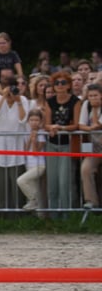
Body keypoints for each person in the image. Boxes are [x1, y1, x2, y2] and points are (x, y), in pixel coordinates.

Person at [0, 77, 28, 209]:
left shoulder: (23, 100)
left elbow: (23, 120)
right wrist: (3, 97)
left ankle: (18, 212)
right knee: (1, 182)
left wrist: (18, 101)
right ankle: (3, 213)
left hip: (16, 143)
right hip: (0, 144)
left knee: (16, 179)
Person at [43, 71, 82, 213]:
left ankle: (66, 215)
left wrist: (61, 127)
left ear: (69, 85)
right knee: (52, 182)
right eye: (56, 83)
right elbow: (46, 124)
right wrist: (51, 127)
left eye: (63, 83)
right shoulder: (50, 102)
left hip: (67, 144)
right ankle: (54, 215)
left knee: (64, 182)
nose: (59, 85)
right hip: (52, 144)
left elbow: (77, 125)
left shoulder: (75, 101)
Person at [17, 109, 47, 211]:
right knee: (35, 188)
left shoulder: (41, 133)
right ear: (28, 121)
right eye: (32, 120)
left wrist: (34, 139)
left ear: (40, 121)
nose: (34, 122)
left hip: (39, 165)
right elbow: (25, 150)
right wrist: (30, 138)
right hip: (29, 164)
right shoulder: (26, 132)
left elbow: (35, 151)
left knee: (21, 180)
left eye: (36, 120)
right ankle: (40, 213)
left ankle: (34, 200)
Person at [78, 83, 102, 209]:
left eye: (95, 96)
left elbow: (98, 124)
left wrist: (96, 110)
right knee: (86, 169)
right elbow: (81, 125)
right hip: (95, 148)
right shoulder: (86, 105)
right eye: (90, 96)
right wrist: (90, 128)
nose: (93, 98)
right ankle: (92, 202)